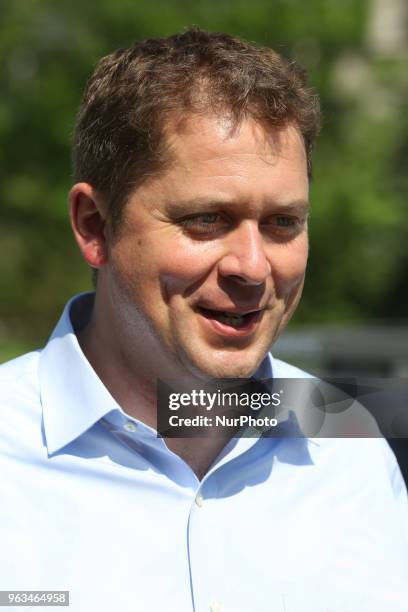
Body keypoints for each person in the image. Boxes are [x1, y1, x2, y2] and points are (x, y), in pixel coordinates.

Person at [0, 28, 407, 612]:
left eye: (283, 223)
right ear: (94, 225)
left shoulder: (345, 439)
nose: (252, 266)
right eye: (208, 220)